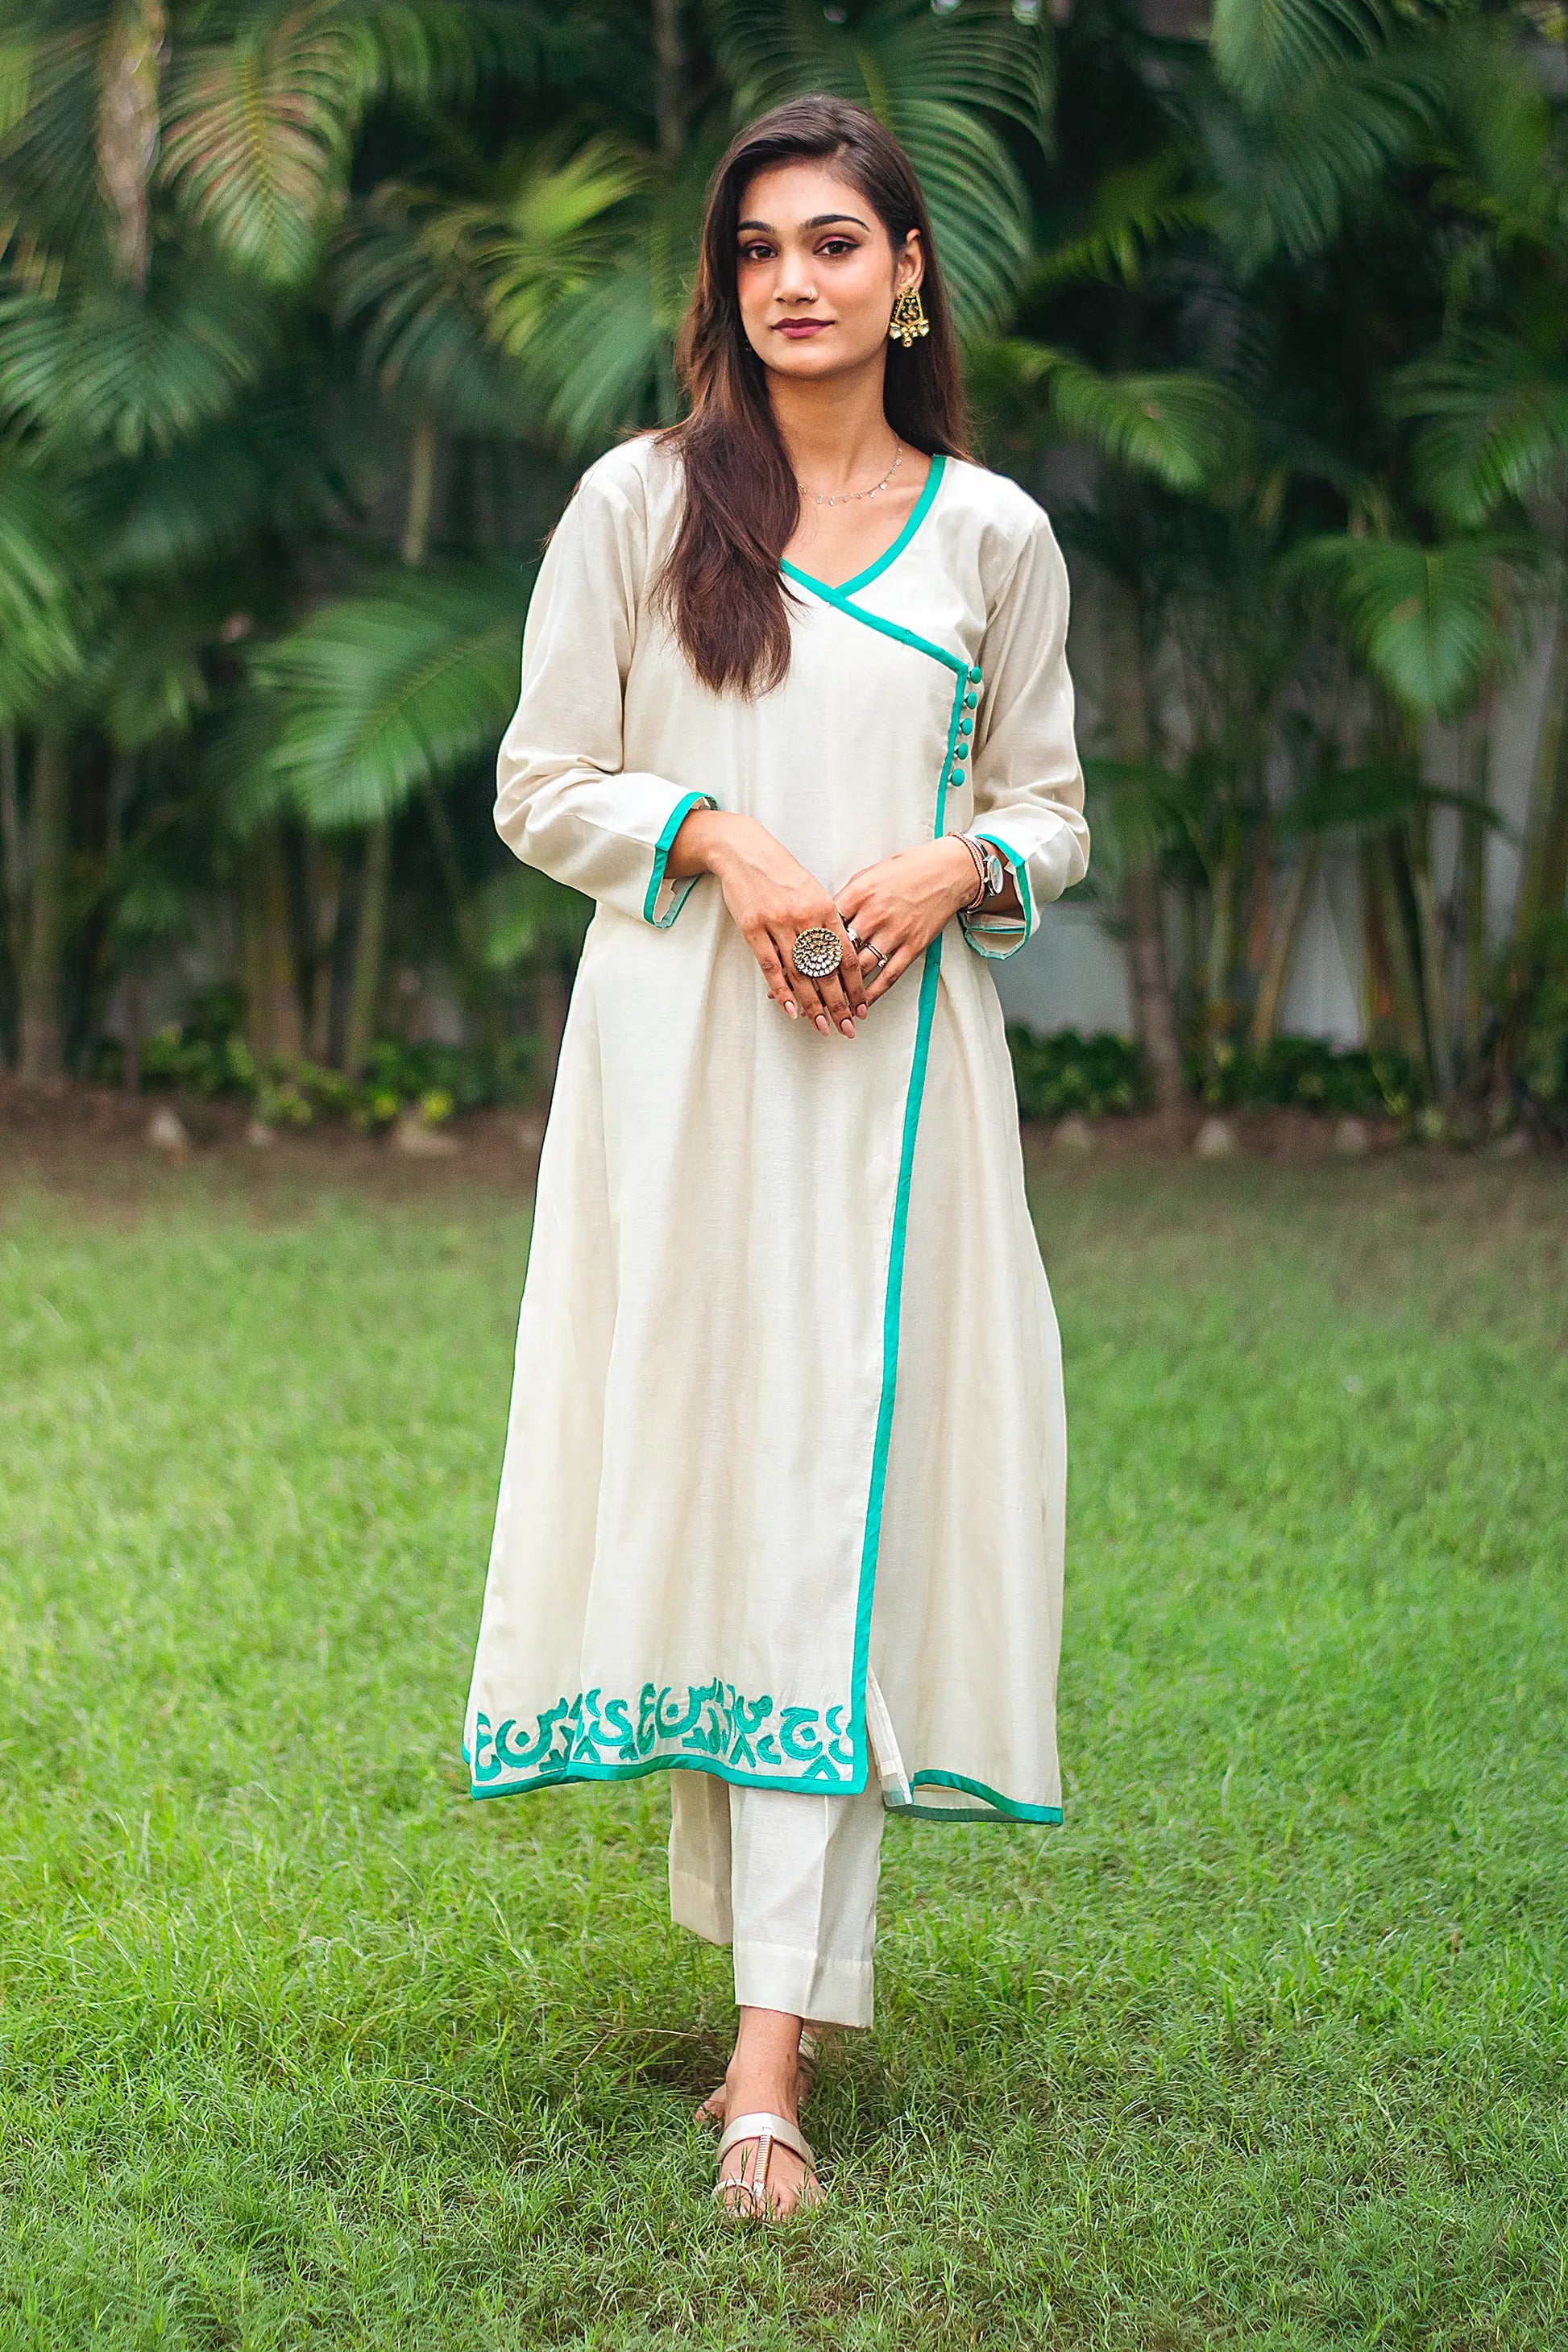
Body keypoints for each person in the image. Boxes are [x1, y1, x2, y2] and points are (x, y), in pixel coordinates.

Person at [463, 92, 1090, 2222]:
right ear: (725, 287)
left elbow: (1053, 810)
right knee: (731, 1477)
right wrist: (719, 841)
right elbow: (544, 779)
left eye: (836, 242)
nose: (795, 281)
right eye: (756, 250)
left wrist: (945, 869)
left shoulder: (994, 532)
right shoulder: (639, 503)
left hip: (901, 1080)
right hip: (681, 1063)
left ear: (909, 273)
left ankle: (765, 2069)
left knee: (841, 1482)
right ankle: (767, 1971)